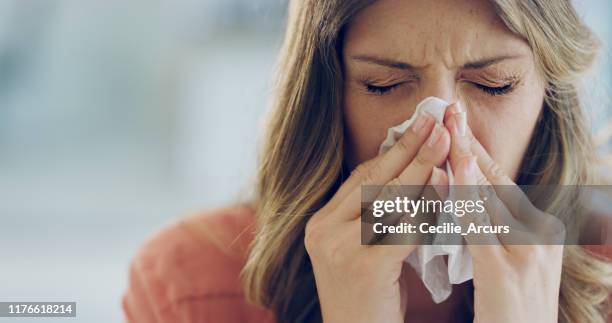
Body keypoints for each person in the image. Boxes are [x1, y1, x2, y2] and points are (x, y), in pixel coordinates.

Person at [122, 0, 612, 322]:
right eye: (383, 85)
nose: (442, 135)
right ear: (325, 97)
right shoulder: (194, 283)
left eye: (494, 84)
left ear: (549, 95)